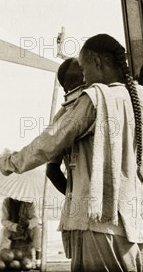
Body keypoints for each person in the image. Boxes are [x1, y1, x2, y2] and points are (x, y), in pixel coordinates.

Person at [0, 34, 143, 272]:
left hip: (102, 226)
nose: (84, 77)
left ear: (97, 62)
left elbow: (48, 144)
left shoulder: (94, 99)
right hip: (141, 226)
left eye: (84, 69)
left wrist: (9, 162)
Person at [45, 57, 85, 195]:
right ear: (66, 88)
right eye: (76, 79)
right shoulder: (61, 118)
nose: (83, 81)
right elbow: (52, 169)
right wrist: (73, 196)